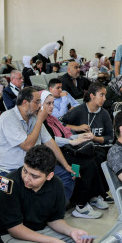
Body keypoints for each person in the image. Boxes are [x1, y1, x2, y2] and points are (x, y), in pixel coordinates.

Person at [0, 145, 93, 243]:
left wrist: (71, 231)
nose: (26, 178)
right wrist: (53, 241)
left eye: (34, 176)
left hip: (38, 229)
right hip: (5, 235)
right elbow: (15, 229)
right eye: (25, 170)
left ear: (49, 176)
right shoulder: (7, 184)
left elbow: (54, 219)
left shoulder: (57, 185)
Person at [0, 87, 76, 200]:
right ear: (25, 102)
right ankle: (43, 212)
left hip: (33, 167)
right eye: (37, 102)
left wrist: (66, 165)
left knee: (67, 176)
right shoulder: (8, 118)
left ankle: (53, 210)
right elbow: (27, 146)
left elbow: (49, 142)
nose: (40, 106)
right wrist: (40, 121)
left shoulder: (33, 118)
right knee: (31, 188)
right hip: (10, 170)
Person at [40, 90, 107, 219]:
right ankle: (81, 205)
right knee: (86, 164)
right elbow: (51, 140)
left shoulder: (52, 118)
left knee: (99, 155)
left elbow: (65, 132)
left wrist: (79, 136)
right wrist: (73, 140)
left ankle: (92, 194)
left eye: (53, 103)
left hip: (66, 147)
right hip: (54, 154)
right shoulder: (40, 121)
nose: (52, 106)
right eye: (48, 103)